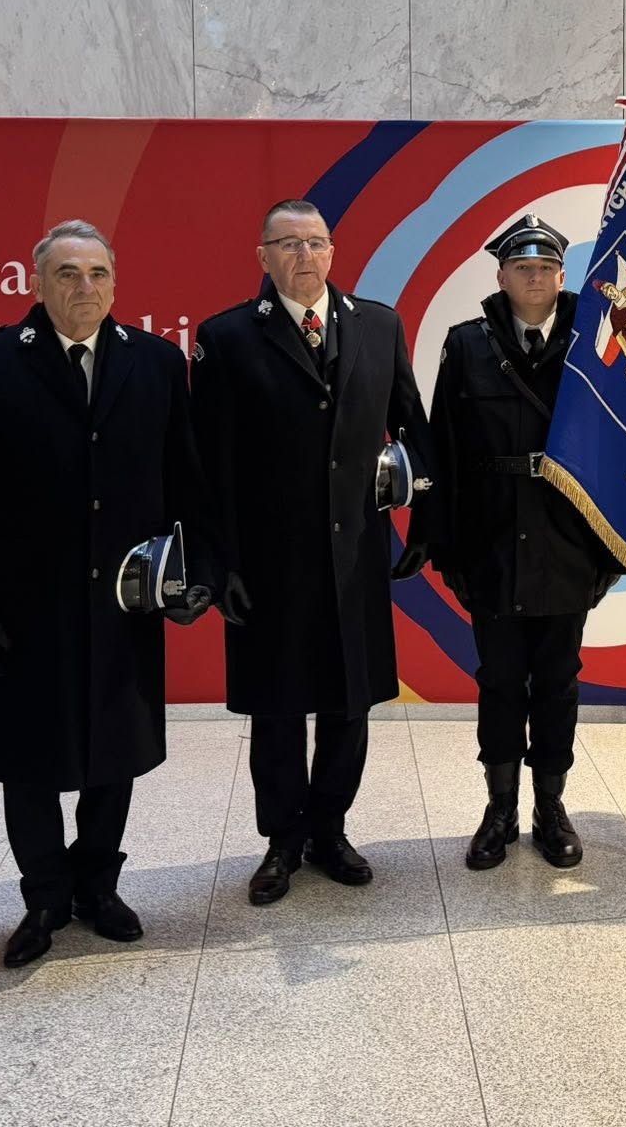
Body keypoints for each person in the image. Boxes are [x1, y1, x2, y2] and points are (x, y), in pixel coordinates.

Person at [0, 220, 221, 968]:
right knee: (28, 759)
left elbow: (186, 478)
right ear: (37, 283)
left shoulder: (156, 362)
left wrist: (200, 572)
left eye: (97, 273)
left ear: (115, 283)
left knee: (114, 754)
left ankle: (98, 886)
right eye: (67, 273)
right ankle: (43, 898)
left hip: (122, 606)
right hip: (20, 611)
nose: (83, 287)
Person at [191, 199, 434, 907]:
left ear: (332, 251)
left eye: (316, 242)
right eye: (288, 243)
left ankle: (330, 828)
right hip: (268, 562)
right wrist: (219, 564)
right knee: (277, 708)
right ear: (263, 256)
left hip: (355, 556)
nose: (304, 255)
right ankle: (282, 840)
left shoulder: (379, 325)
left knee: (349, 703)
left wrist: (425, 522)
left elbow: (412, 427)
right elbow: (210, 463)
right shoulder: (227, 337)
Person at [415, 215, 619, 871]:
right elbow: (443, 450)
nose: (534, 278)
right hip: (492, 541)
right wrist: (445, 547)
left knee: (557, 681)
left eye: (545, 268)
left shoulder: (600, 341)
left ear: (563, 275)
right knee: (500, 680)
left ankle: (549, 806)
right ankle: (499, 806)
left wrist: (613, 551)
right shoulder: (467, 344)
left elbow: (620, 448)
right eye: (521, 267)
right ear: (501, 276)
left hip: (569, 541)